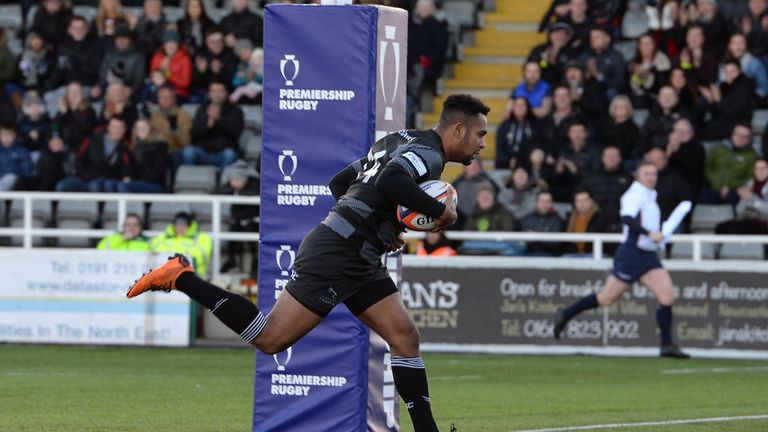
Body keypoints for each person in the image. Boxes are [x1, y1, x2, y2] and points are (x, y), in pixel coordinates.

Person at [127, 94, 490, 432]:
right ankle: (181, 277)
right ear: (457, 129)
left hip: (359, 253)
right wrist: (440, 210)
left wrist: (384, 227)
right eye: (479, 134)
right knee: (271, 338)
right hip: (338, 252)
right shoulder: (428, 154)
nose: (483, 144)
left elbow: (341, 182)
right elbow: (392, 179)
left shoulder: (399, 139)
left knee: (405, 337)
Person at [553, 161, 690, 359]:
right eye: (647, 174)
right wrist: (649, 234)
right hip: (632, 253)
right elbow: (627, 218)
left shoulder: (650, 196)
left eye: (654, 174)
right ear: (637, 176)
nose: (651, 177)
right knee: (607, 298)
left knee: (667, 296)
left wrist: (658, 237)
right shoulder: (634, 195)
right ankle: (565, 314)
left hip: (648, 255)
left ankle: (667, 345)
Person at [182, 80, 243, 171]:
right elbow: (193, 135)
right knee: (188, 151)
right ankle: (191, 183)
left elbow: (235, 135)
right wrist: (207, 126)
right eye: (213, 91)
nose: (216, 94)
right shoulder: (202, 110)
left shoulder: (235, 111)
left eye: (220, 91)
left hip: (223, 152)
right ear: (209, 93)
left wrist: (219, 120)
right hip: (203, 151)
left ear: (226, 93)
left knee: (229, 154)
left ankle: (222, 184)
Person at [149, 212, 213, 278]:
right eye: (177, 224)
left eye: (183, 224)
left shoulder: (201, 237)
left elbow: (201, 256)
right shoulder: (164, 236)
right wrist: (182, 254)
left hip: (193, 277)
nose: (180, 227)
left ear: (189, 225)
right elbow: (154, 248)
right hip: (166, 277)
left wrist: (171, 254)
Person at [520, 190, 564, 256]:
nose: (544, 204)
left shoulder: (558, 221)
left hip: (548, 256)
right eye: (541, 201)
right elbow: (519, 241)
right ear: (536, 202)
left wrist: (536, 237)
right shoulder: (527, 219)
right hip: (526, 254)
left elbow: (556, 244)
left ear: (552, 203)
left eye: (548, 201)